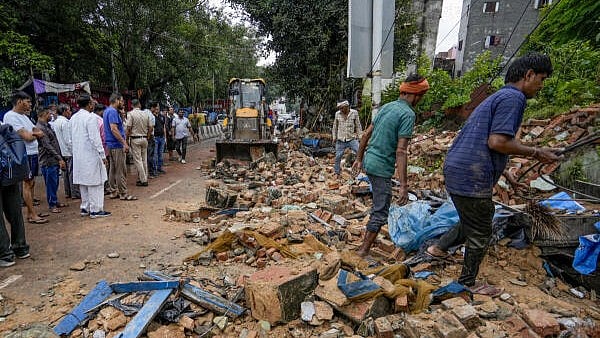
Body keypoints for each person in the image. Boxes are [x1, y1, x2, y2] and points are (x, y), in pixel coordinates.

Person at [426, 53, 560, 292]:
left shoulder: (499, 96)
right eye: (541, 79)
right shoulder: (514, 98)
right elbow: (497, 141)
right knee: (481, 229)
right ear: (528, 75)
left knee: (472, 219)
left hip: (459, 168)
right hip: (471, 173)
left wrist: (505, 173)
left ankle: (437, 249)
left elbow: (486, 141)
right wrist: (538, 152)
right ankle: (467, 283)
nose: (541, 86)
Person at [352, 74, 430, 257]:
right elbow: (401, 151)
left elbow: (365, 135)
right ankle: (362, 251)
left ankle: (364, 246)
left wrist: (359, 158)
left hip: (370, 161)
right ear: (415, 95)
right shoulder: (408, 114)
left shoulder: (387, 107)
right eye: (422, 96)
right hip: (380, 168)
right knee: (381, 211)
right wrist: (403, 185)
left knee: (378, 205)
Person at [3, 91, 48, 224]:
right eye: (27, 101)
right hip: (23, 154)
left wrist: (35, 134)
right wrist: (35, 134)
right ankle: (32, 214)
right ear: (19, 102)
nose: (30, 104)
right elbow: (28, 136)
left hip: (32, 153)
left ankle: (30, 212)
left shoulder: (24, 116)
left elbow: (36, 131)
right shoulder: (11, 116)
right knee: (27, 183)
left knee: (32, 182)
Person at [71, 95, 111, 218]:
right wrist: (102, 154)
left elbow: (70, 139)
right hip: (91, 155)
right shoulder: (91, 118)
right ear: (89, 104)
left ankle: (85, 207)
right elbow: (95, 139)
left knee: (84, 182)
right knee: (96, 183)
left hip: (79, 155)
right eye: (92, 102)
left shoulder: (73, 118)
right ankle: (96, 209)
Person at [103, 93, 135, 200]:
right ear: (116, 101)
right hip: (116, 144)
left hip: (111, 144)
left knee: (113, 169)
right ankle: (123, 193)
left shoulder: (108, 111)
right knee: (121, 169)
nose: (122, 103)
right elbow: (114, 129)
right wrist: (124, 142)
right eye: (121, 101)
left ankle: (113, 191)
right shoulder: (112, 111)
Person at [35, 108, 66, 214]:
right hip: (48, 160)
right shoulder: (40, 128)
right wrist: (59, 157)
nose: (51, 115)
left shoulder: (47, 126)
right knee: (51, 183)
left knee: (55, 182)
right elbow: (47, 145)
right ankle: (52, 204)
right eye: (49, 114)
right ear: (44, 114)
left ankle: (54, 200)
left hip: (52, 159)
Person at [53, 104, 80, 200]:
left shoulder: (55, 122)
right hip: (68, 151)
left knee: (65, 173)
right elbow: (68, 140)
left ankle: (68, 192)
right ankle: (75, 193)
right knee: (71, 172)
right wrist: (74, 151)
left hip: (61, 151)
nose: (70, 112)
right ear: (64, 111)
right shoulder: (65, 123)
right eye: (68, 110)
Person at [125, 99, 152, 187]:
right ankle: (144, 177)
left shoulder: (130, 114)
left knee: (138, 160)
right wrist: (147, 137)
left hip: (135, 139)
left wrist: (126, 140)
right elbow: (151, 127)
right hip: (144, 138)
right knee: (144, 159)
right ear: (139, 105)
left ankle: (143, 180)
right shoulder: (146, 114)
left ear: (132, 105)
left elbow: (128, 128)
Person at [332, 100, 362, 177]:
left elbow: (358, 126)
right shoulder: (337, 114)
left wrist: (360, 136)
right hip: (340, 139)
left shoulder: (354, 113)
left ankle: (363, 169)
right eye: (340, 108)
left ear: (347, 107)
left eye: (342, 108)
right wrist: (334, 137)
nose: (340, 110)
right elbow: (335, 126)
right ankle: (337, 172)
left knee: (360, 152)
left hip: (351, 138)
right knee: (338, 156)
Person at [151, 102, 167, 176]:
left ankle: (160, 168)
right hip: (155, 138)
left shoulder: (162, 116)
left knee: (160, 154)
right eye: (156, 107)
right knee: (155, 155)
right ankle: (154, 169)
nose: (157, 108)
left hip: (162, 137)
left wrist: (165, 137)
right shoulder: (151, 116)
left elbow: (164, 127)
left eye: (158, 106)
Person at [145, 107, 155, 178]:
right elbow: (151, 127)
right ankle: (150, 172)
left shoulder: (143, 113)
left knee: (144, 156)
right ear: (152, 107)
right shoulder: (151, 115)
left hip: (143, 135)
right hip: (149, 136)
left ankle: (145, 173)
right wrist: (148, 137)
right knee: (150, 155)